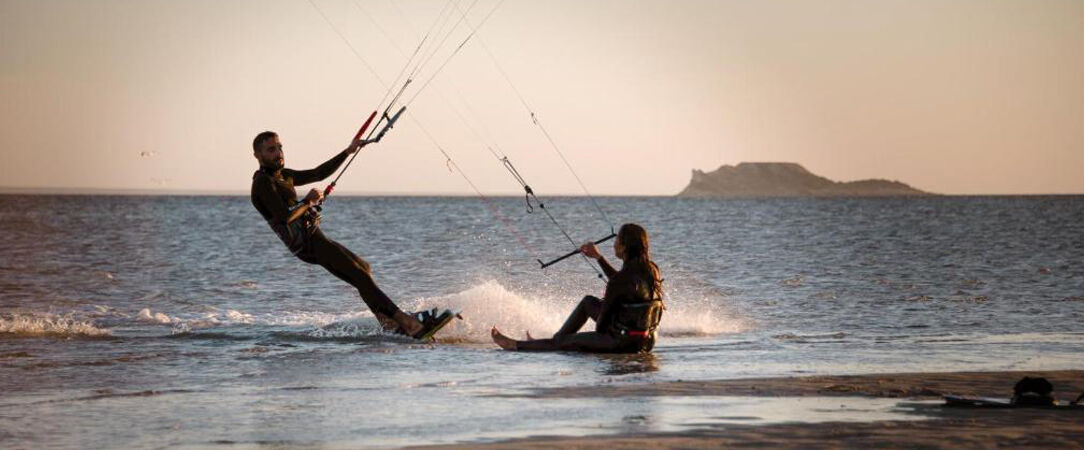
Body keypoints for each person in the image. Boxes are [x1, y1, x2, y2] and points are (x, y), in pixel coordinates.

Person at [249, 131, 434, 338]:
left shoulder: (285, 175)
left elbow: (318, 173)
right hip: (306, 245)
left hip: (314, 237)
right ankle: (407, 323)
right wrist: (307, 202)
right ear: (258, 155)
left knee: (363, 268)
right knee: (359, 275)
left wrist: (347, 151)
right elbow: (284, 217)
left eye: (280, 147)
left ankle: (387, 323)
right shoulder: (262, 183)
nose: (278, 153)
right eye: (271, 149)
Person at [491, 223, 664, 353]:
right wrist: (598, 257)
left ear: (624, 247)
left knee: (564, 341)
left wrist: (606, 305)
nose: (614, 243)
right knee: (589, 302)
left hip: (620, 342)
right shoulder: (651, 270)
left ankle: (517, 345)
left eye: (617, 239)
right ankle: (553, 341)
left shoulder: (619, 281)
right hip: (646, 340)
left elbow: (602, 328)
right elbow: (625, 284)